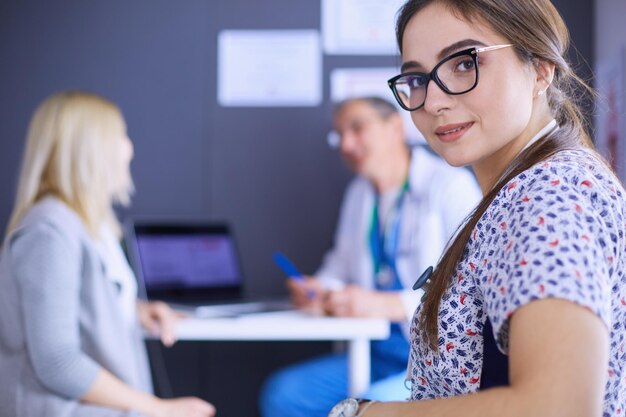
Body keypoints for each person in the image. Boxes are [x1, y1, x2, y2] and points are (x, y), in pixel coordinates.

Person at [327, 1, 626, 417]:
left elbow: (560, 407)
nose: (432, 102)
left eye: (464, 64)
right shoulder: (515, 191)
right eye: (417, 78)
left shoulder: (551, 194)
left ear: (540, 67)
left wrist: (365, 413)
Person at [259, 96, 482, 417]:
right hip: (373, 353)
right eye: (340, 135)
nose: (346, 144)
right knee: (284, 394)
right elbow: (340, 264)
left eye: (357, 128)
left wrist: (390, 305)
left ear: (394, 127)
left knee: (370, 407)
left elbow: (470, 291)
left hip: (435, 359)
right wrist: (318, 288)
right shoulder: (359, 194)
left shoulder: (449, 186)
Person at [0, 91, 216, 417]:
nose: (129, 148)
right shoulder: (49, 232)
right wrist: (158, 408)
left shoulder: (90, 226)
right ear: (91, 151)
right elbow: (58, 362)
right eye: (121, 136)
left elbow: (76, 303)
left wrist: (135, 309)